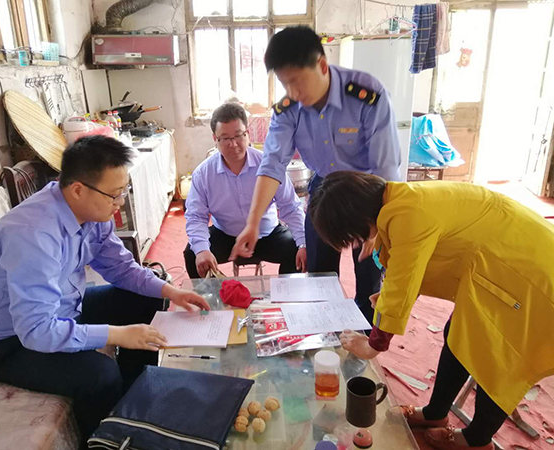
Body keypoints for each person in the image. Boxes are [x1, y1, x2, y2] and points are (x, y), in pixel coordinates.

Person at [0, 136, 209, 446]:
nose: (119, 203)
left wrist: (170, 291)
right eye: (114, 195)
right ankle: (105, 439)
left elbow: (121, 269)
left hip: (64, 309)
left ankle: (135, 396)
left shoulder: (92, 213)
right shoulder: (32, 235)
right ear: (78, 189)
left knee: (147, 296)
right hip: (8, 342)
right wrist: (116, 335)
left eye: (123, 191)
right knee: (100, 375)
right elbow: (36, 331)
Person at [308, 171, 554, 450]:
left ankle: (476, 440)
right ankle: (436, 412)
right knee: (460, 332)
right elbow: (408, 268)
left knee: (497, 356)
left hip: (532, 277)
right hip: (508, 257)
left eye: (352, 236)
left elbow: (402, 283)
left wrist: (372, 345)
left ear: (360, 221)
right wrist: (386, 295)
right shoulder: (396, 199)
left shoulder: (408, 216)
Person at [230, 26, 401, 325]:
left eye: (297, 81)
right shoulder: (288, 109)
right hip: (324, 187)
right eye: (285, 84)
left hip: (369, 192)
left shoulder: (367, 96)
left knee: (369, 274)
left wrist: (379, 228)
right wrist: (253, 223)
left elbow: (386, 169)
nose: (293, 93)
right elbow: (272, 165)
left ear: (322, 65)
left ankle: (363, 340)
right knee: (319, 276)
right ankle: (326, 336)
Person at [184, 102, 306, 278]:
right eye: (225, 138)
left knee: (298, 250)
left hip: (267, 234)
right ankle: (211, 295)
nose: (233, 144)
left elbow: (290, 206)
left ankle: (285, 293)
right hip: (226, 234)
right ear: (215, 139)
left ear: (247, 134)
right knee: (193, 253)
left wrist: (303, 243)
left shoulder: (268, 166)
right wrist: (202, 249)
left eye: (238, 136)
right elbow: (196, 216)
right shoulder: (203, 173)